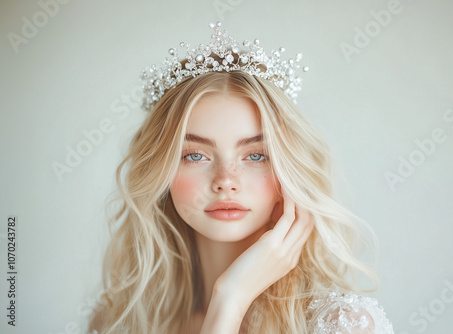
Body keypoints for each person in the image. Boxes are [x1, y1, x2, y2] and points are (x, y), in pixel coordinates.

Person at [88, 22, 394, 333]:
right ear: (161, 169)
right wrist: (227, 305)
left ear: (288, 171)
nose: (226, 181)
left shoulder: (343, 324)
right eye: (195, 155)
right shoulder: (119, 321)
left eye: (256, 156)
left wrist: (231, 298)